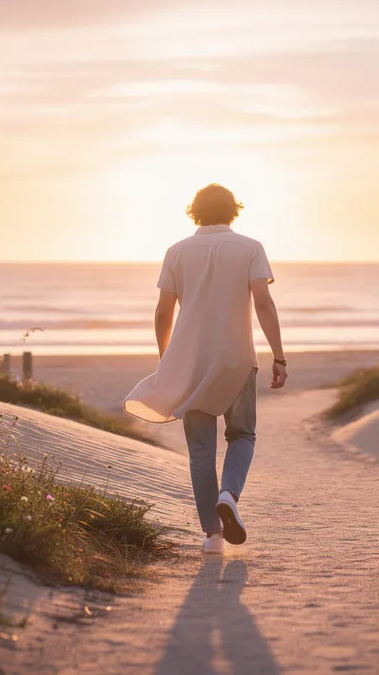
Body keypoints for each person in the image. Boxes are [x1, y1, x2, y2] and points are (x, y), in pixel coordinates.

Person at [124, 184, 287, 555]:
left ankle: (212, 537)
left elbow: (164, 312)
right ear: (233, 210)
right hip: (237, 359)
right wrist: (279, 356)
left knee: (200, 452)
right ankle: (229, 496)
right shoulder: (250, 247)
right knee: (242, 435)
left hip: (191, 363)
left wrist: (167, 359)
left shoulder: (177, 252)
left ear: (194, 211)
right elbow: (263, 303)